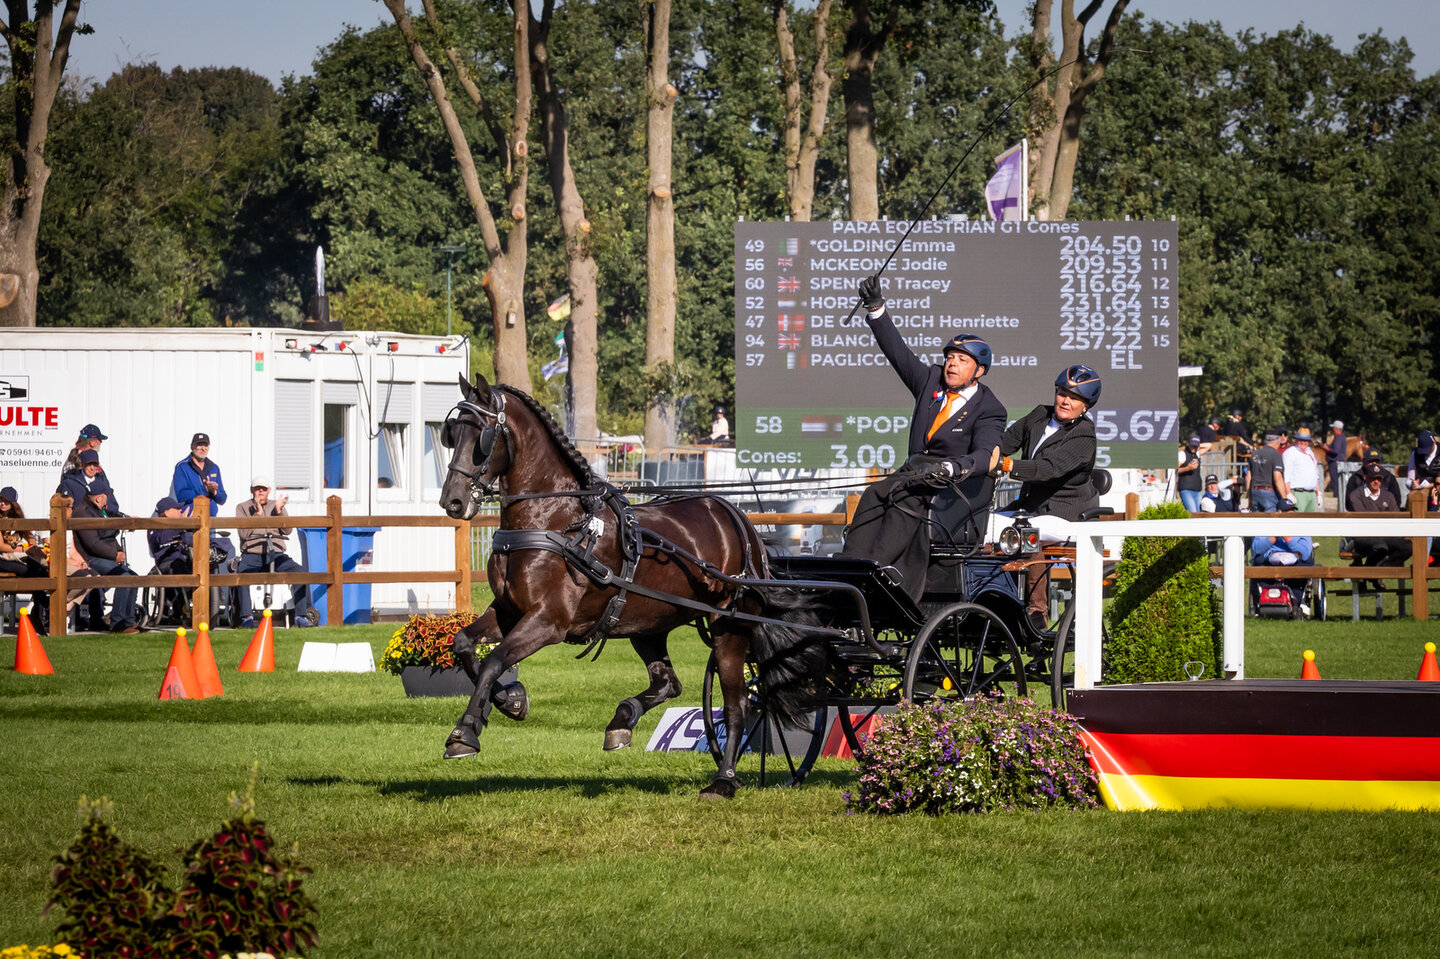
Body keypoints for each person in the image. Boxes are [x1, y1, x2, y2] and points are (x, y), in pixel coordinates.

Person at [838, 274, 1006, 601]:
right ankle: (851, 565)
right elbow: (898, 353)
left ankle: (879, 569)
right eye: (950, 357)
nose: (951, 364)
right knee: (874, 493)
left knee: (903, 499)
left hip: (950, 487)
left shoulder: (990, 408)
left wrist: (954, 467)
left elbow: (988, 454)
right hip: (912, 472)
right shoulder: (930, 381)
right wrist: (875, 308)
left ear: (979, 371)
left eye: (961, 360)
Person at [990, 365, 1102, 632]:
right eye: (1063, 393)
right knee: (981, 526)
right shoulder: (1040, 414)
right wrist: (983, 453)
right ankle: (992, 603)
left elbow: (1047, 469)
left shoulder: (1084, 436)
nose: (1065, 400)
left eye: (1075, 398)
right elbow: (1006, 441)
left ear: (1085, 406)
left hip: (1068, 515)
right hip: (1030, 509)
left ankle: (1037, 615)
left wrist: (1006, 465)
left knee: (1027, 532)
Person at [234, 476, 317, 628]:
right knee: (242, 574)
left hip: (276, 553)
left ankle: (300, 615)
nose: (260, 491)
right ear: (252, 490)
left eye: (264, 489)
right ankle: (246, 617)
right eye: (257, 488)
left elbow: (287, 530)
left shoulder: (275, 505)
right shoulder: (243, 507)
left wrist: (279, 511)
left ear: (269, 491)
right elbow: (243, 534)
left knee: (301, 572)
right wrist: (257, 514)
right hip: (252, 553)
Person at [72, 479, 140, 633]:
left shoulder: (96, 511)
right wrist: (114, 555)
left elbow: (105, 535)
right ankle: (118, 623)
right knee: (125, 578)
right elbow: (93, 544)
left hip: (102, 557)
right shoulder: (83, 513)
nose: (108, 498)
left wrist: (125, 522)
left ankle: (128, 621)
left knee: (134, 577)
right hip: (90, 559)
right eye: (106, 495)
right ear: (99, 498)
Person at [172, 432, 235, 570]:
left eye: (205, 445)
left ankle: (214, 590)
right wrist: (205, 490)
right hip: (191, 523)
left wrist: (214, 492)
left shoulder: (214, 467)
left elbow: (222, 498)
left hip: (211, 521)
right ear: (192, 446)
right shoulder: (182, 467)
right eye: (199, 445)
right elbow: (182, 495)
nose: (202, 448)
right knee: (193, 560)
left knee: (211, 561)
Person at [1346, 461, 1408, 582]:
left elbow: (1396, 518)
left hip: (1386, 535)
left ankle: (1377, 570)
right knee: (1380, 546)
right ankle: (1372, 574)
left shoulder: (1388, 496)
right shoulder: (1356, 495)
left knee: (1409, 547)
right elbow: (1363, 521)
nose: (1376, 482)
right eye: (1373, 478)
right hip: (1364, 536)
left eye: (1379, 479)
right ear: (1365, 478)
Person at [0, 486, 50, 633]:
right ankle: (46, 605)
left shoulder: (19, 519)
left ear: (13, 503)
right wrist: (22, 549)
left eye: (6, 501)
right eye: (0, 500)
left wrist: (32, 547)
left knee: (40, 569)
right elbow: (1, 547)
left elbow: (29, 537)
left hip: (17, 556)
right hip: (2, 558)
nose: (2, 504)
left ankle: (38, 611)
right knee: (29, 570)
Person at [1247, 429, 1291, 512]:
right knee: (1270, 522)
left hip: (1255, 491)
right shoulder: (1275, 454)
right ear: (1278, 441)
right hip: (1269, 493)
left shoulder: (1254, 454)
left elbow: (1248, 477)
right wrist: (1285, 499)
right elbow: (1278, 478)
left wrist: (1249, 499)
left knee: (1258, 522)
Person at [1281, 427, 1322, 512]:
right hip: (1298, 493)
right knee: (1298, 521)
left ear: (1309, 442)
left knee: (1309, 523)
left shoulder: (1309, 452)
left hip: (1311, 493)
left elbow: (1315, 474)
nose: (1303, 442)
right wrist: (1288, 493)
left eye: (1306, 440)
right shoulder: (1290, 453)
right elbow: (1286, 475)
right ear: (1296, 439)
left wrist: (1319, 492)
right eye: (1301, 440)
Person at [1176, 434, 1203, 512]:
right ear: (1189, 444)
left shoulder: (1197, 454)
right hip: (1186, 489)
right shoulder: (1182, 454)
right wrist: (1187, 468)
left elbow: (1209, 446)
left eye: (1195, 446)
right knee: (1193, 513)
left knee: (1198, 513)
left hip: (1198, 490)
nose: (1193, 448)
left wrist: (1199, 445)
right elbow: (1175, 470)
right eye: (1192, 445)